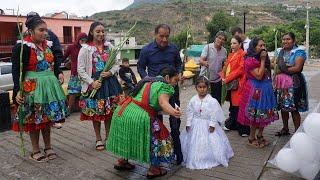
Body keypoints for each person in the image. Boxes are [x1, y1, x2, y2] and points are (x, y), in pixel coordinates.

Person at [11, 14, 68, 162]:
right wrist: (17, 90)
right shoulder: (22, 47)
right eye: (41, 30)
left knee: (46, 119)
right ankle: (35, 149)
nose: (44, 33)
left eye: (45, 30)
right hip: (32, 88)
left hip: (49, 88)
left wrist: (59, 73)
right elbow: (17, 70)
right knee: (33, 120)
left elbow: (54, 63)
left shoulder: (47, 45)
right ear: (30, 31)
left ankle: (48, 147)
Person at [106, 67, 181, 178]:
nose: (176, 83)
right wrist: (175, 112)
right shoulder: (165, 86)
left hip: (123, 111)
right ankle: (154, 169)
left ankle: (122, 161)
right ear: (167, 78)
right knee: (158, 137)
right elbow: (163, 102)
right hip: (139, 116)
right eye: (175, 80)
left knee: (127, 136)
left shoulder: (148, 81)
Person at [137, 24, 183, 165]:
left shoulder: (174, 49)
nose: (164, 39)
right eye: (161, 36)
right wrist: (147, 79)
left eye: (167, 36)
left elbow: (179, 64)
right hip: (155, 92)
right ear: (155, 34)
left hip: (172, 90)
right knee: (157, 124)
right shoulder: (146, 50)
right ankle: (158, 157)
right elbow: (140, 67)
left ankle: (178, 153)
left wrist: (180, 73)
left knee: (175, 122)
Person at [77, 22, 122, 151]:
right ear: (92, 32)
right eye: (98, 31)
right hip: (95, 84)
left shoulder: (110, 47)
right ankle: (98, 138)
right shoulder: (85, 49)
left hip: (109, 82)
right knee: (96, 113)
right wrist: (92, 82)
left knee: (109, 112)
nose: (101, 34)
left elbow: (116, 63)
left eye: (103, 31)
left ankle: (109, 137)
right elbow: (80, 69)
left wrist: (111, 72)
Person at [180, 76, 233, 169]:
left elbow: (214, 113)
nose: (202, 89)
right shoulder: (193, 99)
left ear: (208, 87)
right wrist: (188, 123)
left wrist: (212, 124)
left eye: (204, 87)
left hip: (207, 124)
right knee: (195, 142)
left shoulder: (212, 101)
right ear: (196, 87)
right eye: (200, 87)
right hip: (195, 124)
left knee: (209, 141)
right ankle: (196, 157)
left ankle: (208, 157)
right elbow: (190, 112)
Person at [26, 11, 65, 129]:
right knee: (34, 116)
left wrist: (58, 71)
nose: (44, 33)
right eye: (29, 20)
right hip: (32, 83)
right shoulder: (23, 41)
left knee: (48, 113)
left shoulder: (50, 36)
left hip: (48, 80)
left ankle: (53, 122)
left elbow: (57, 53)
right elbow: (19, 67)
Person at [237, 37, 279, 148]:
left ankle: (260, 135)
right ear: (254, 47)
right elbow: (259, 75)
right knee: (255, 114)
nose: (263, 48)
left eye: (264, 45)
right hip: (255, 90)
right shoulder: (250, 60)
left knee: (264, 113)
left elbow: (267, 73)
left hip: (265, 90)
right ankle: (251, 137)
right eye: (260, 46)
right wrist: (263, 60)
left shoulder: (260, 59)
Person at [274, 32, 308, 136]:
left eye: (288, 39)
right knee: (283, 107)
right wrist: (287, 67)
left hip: (294, 83)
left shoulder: (299, 52)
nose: (285, 41)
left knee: (294, 108)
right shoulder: (279, 52)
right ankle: (285, 128)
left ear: (293, 41)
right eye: (284, 39)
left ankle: (297, 131)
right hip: (281, 84)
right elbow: (272, 64)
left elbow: (297, 68)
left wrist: (281, 69)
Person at [222, 36, 250, 136]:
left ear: (240, 44)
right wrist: (222, 76)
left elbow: (240, 70)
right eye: (231, 43)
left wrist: (227, 78)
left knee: (239, 106)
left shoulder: (243, 54)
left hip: (239, 84)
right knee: (234, 106)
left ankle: (244, 129)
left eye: (234, 43)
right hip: (233, 84)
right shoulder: (232, 55)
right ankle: (234, 125)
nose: (232, 45)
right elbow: (226, 68)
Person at [199, 31, 227, 105]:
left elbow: (224, 64)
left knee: (217, 102)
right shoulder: (207, 47)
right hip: (206, 79)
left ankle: (215, 116)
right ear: (215, 38)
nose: (220, 40)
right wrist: (204, 63)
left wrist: (224, 75)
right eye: (219, 38)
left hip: (217, 80)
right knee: (205, 101)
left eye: (223, 39)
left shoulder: (224, 51)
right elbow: (200, 60)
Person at [63, 32, 88, 113]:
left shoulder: (88, 48)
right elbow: (63, 57)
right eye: (81, 40)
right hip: (75, 73)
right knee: (72, 92)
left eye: (85, 40)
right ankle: (69, 110)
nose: (83, 42)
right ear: (78, 40)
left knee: (85, 91)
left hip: (86, 73)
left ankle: (85, 109)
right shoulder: (71, 47)